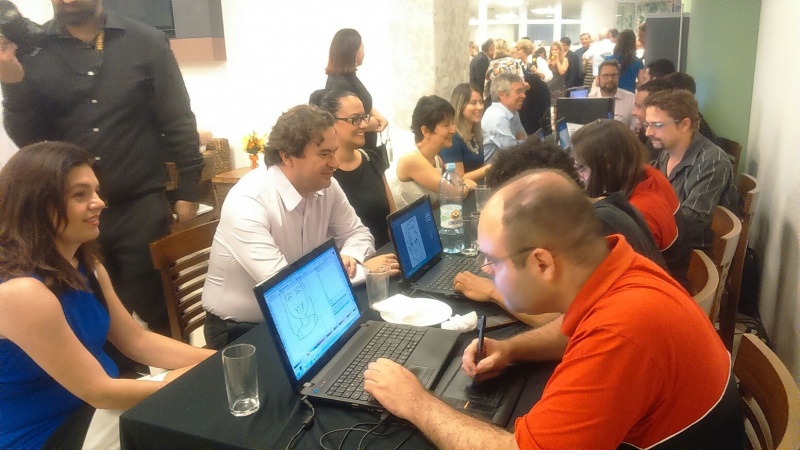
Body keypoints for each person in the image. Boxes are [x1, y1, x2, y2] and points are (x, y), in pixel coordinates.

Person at [363, 169, 744, 449]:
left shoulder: (622, 330)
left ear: (542, 263)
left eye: (492, 260)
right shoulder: (625, 269)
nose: (486, 270)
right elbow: (572, 331)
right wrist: (512, 350)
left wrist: (415, 403)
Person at [0, 0, 203, 343]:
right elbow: (30, 141)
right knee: (93, 310)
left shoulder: (146, 41)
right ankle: (122, 385)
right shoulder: (34, 50)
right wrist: (13, 84)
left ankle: (183, 380)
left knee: (159, 303)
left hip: (140, 201)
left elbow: (177, 117)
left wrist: (188, 190)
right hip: (70, 212)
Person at [0, 142, 213, 450]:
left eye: (96, 191)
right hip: (48, 434)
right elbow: (98, 391)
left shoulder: (88, 266)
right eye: (80, 194)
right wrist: (192, 381)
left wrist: (218, 361)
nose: (99, 202)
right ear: (37, 204)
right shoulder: (21, 292)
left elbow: (138, 341)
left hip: (97, 413)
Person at [202, 105, 394, 349]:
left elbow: (358, 233)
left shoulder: (327, 186)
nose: (334, 163)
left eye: (334, 152)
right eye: (324, 154)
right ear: (287, 155)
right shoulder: (248, 202)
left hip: (305, 312)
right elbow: (286, 290)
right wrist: (361, 271)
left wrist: (351, 256)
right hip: (240, 331)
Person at [454, 138, 667, 324]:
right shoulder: (606, 207)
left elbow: (560, 325)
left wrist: (494, 291)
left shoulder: (597, 227)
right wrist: (511, 349)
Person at [571, 119, 691, 289]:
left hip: (663, 289)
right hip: (671, 279)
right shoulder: (648, 174)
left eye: (582, 168)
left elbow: (616, 281)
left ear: (606, 164)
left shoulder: (638, 211)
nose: (579, 176)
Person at [645, 90, 738, 249]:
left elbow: (691, 221)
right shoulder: (666, 154)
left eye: (657, 125)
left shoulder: (712, 161)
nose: (648, 132)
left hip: (691, 255)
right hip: (670, 244)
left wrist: (642, 225)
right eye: (647, 124)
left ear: (684, 124)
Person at [311, 89, 396, 248]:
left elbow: (393, 219)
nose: (364, 125)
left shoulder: (371, 159)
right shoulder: (324, 174)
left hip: (388, 259)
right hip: (353, 265)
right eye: (355, 119)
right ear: (331, 122)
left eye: (364, 117)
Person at [387, 95, 476, 209]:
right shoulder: (411, 158)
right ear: (426, 131)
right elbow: (453, 194)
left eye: (453, 123)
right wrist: (467, 185)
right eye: (446, 125)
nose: (453, 130)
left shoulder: (437, 160)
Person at [325, 28, 389, 165]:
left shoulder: (350, 76)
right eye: (362, 48)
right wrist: (377, 122)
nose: (364, 53)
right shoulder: (339, 84)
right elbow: (351, 120)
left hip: (364, 147)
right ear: (353, 52)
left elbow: (364, 103)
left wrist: (380, 117)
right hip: (353, 152)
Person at [440, 83, 490, 182]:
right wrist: (489, 168)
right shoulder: (452, 138)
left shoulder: (474, 135)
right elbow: (458, 179)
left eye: (481, 102)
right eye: (473, 103)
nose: (479, 107)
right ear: (460, 106)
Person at [481, 73, 527, 163]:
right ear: (502, 95)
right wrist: (521, 141)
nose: (523, 96)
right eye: (518, 92)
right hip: (492, 174)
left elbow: (524, 142)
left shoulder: (513, 113)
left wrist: (521, 142)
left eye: (523, 91)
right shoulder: (498, 117)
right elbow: (514, 153)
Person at [589, 60, 635, 127]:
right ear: (598, 78)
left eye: (614, 75)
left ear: (618, 77)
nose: (610, 79)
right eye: (606, 75)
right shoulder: (590, 99)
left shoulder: (631, 99)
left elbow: (634, 130)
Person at [482, 38, 526, 103]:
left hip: (497, 98)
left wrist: (485, 99)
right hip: (513, 96)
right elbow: (522, 81)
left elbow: (486, 85)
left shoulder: (492, 64)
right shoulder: (515, 63)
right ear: (507, 49)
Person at [547, 41, 569, 106]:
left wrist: (557, 61)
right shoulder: (548, 60)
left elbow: (562, 72)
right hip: (549, 87)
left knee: (558, 106)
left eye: (556, 49)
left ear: (560, 50)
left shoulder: (564, 60)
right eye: (552, 49)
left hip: (559, 88)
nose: (554, 51)